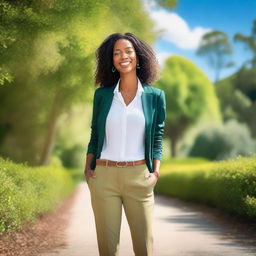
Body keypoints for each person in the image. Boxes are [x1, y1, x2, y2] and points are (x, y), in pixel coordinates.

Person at [84, 32, 166, 256]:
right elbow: (95, 133)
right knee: (108, 249)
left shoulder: (155, 96)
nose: (123, 56)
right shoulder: (102, 95)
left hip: (139, 176)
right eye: (116, 53)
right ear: (111, 61)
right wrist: (88, 167)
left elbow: (157, 136)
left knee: (144, 247)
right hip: (104, 176)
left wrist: (155, 172)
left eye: (128, 51)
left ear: (138, 57)